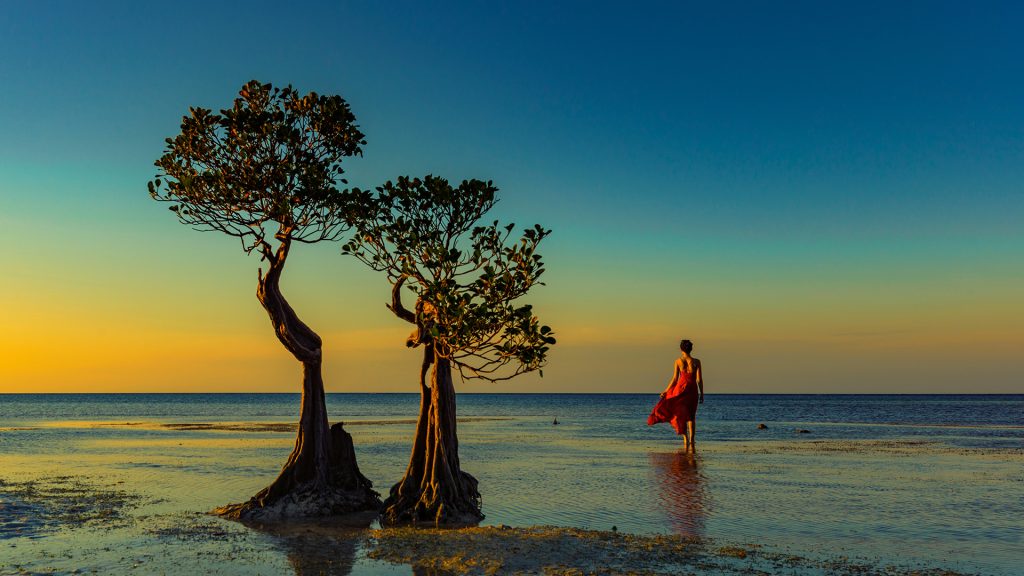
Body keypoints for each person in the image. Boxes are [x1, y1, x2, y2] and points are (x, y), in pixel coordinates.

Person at [647, 339, 704, 449]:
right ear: (691, 349)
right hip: (692, 391)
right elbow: (699, 380)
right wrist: (702, 393)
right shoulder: (697, 361)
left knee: (680, 414)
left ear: (681, 349)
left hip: (680, 389)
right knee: (691, 416)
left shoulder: (678, 361)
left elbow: (674, 379)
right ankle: (692, 442)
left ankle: (685, 440)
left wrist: (666, 390)